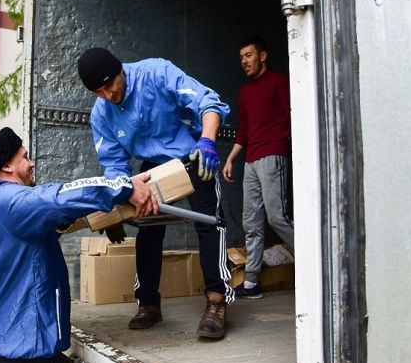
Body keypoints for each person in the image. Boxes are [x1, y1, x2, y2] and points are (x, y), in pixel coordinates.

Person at [0, 127, 156, 363]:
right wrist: (124, 187)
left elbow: (36, 230)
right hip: (26, 359)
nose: (31, 163)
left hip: (8, 351)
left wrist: (71, 220)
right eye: (24, 157)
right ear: (6, 165)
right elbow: (56, 197)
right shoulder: (8, 201)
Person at [77, 47, 234, 338]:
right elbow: (114, 165)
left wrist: (208, 141)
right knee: (148, 230)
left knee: (210, 222)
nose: (109, 95)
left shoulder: (156, 73)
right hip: (151, 166)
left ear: (120, 70)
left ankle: (216, 301)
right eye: (99, 92)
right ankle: (148, 303)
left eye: (110, 86)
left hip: (192, 155)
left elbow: (208, 102)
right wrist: (116, 208)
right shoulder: (102, 114)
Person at [222, 36, 294, 299]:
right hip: (251, 160)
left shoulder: (279, 82)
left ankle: (314, 266)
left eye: (249, 55)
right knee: (251, 222)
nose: (244, 61)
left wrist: (285, 144)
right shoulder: (245, 93)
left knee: (278, 217)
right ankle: (251, 283)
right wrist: (231, 158)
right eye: (241, 57)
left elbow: (293, 115)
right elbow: (244, 130)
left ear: (263, 56)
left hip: (273, 155)